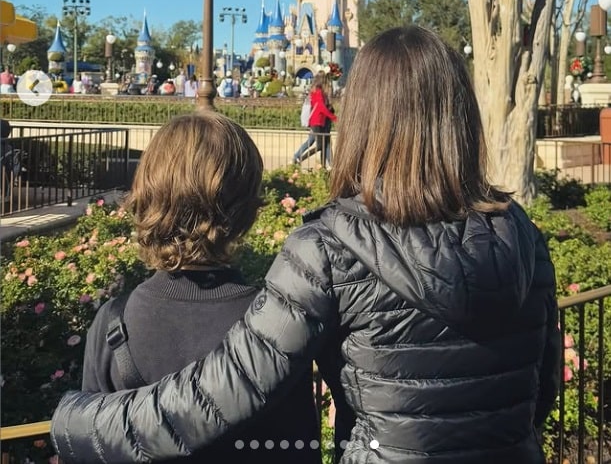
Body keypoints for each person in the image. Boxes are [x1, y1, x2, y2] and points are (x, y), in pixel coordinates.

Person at [51, 26, 561, 464]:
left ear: (362, 118)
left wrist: (74, 419)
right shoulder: (520, 234)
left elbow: (217, 396)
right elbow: (541, 391)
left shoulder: (333, 247)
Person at [77, 112, 321, 463]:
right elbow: (298, 451)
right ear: (245, 208)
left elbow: (96, 446)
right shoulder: (273, 326)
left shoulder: (114, 323)